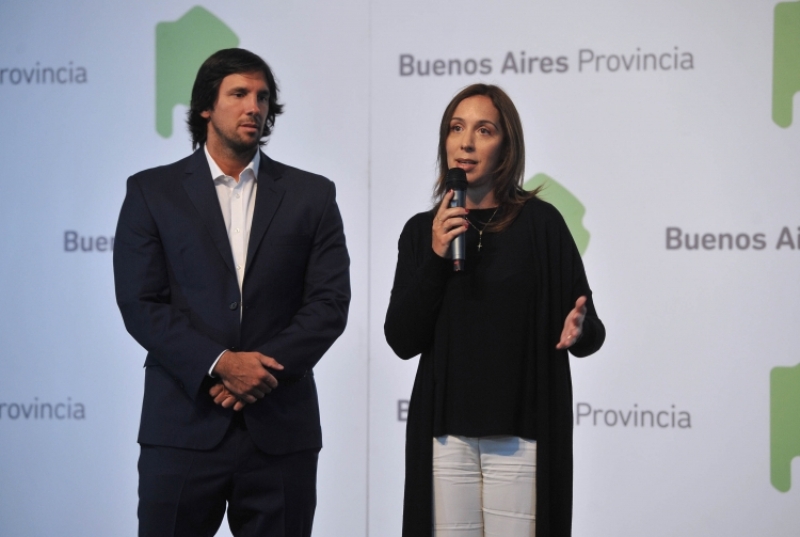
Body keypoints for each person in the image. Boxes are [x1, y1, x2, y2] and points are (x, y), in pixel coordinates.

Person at [113, 48, 350, 537]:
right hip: (182, 426)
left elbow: (329, 304)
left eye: (262, 97)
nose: (254, 107)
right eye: (239, 94)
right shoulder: (152, 192)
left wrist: (259, 372)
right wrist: (219, 363)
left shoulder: (312, 195)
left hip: (280, 431)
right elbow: (141, 303)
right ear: (206, 107)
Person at [384, 84, 605, 537]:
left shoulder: (541, 225)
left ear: (506, 146)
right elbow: (402, 339)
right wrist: (436, 256)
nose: (466, 143)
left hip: (522, 435)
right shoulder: (422, 232)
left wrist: (579, 329)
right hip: (445, 438)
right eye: (456, 128)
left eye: (483, 130)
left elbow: (590, 331)